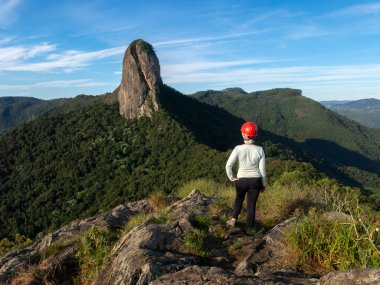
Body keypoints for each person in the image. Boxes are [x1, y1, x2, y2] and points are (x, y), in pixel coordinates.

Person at [225, 122, 266, 232]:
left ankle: (233, 219)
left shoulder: (238, 148)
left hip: (241, 180)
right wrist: (263, 184)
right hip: (256, 180)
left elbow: (228, 165)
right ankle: (249, 230)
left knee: (239, 198)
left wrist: (232, 177)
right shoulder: (260, 150)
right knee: (251, 205)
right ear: (255, 135)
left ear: (244, 135)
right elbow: (262, 170)